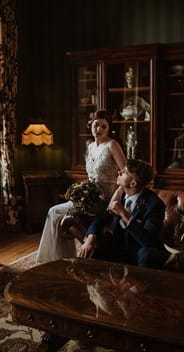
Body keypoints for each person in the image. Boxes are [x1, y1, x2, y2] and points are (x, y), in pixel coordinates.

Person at [36, 110, 127, 263]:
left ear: (109, 128)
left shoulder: (112, 145)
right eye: (96, 125)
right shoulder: (90, 146)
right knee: (54, 213)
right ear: (90, 125)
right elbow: (92, 175)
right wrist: (81, 190)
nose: (98, 129)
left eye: (104, 127)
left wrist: (117, 195)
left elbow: (126, 174)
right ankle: (58, 259)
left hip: (105, 200)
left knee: (56, 212)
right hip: (89, 197)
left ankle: (58, 259)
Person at [78, 159, 169, 269]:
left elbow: (148, 241)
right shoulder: (120, 196)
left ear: (133, 183)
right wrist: (90, 240)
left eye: (124, 172)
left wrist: (123, 213)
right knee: (92, 250)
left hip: (141, 254)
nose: (119, 172)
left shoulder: (154, 204)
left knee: (146, 254)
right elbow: (100, 219)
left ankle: (138, 284)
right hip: (119, 252)